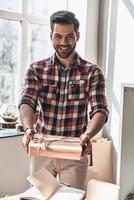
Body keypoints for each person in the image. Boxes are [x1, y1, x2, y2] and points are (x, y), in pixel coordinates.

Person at [19, 10, 109, 189]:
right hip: (42, 148)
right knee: (39, 197)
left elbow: (100, 110)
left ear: (78, 36)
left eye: (69, 36)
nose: (63, 42)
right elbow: (27, 102)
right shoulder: (36, 69)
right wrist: (28, 128)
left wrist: (88, 135)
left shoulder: (92, 72)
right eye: (58, 36)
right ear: (51, 36)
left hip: (75, 149)